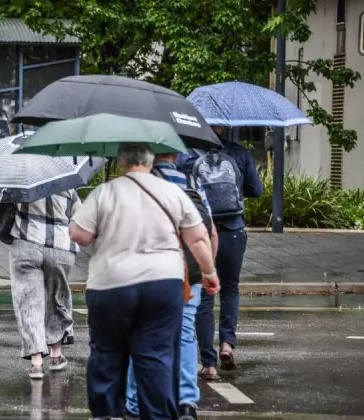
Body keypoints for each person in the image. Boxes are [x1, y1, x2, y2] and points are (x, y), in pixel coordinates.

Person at [70, 143, 220, 420]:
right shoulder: (174, 191)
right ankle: (157, 414)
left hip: (111, 284)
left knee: (107, 352)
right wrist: (209, 273)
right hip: (162, 284)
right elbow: (200, 237)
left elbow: (80, 234)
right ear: (150, 163)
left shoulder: (106, 191)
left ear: (121, 163)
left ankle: (107, 414)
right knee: (156, 356)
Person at [124, 152, 219, 420]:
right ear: (176, 155)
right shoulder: (192, 183)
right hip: (189, 275)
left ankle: (133, 403)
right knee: (185, 335)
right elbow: (209, 232)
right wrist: (209, 270)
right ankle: (187, 402)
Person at [180, 126, 263, 379]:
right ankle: (227, 344)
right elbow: (256, 191)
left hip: (203, 230)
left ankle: (208, 363)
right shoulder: (239, 153)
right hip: (234, 229)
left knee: (204, 294)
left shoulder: (188, 155)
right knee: (230, 289)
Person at [9, 189, 80, 380]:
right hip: (61, 248)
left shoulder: (18, 183)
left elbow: (3, 211)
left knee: (28, 301)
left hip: (26, 244)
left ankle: (37, 362)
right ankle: (56, 355)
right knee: (56, 297)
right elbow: (79, 217)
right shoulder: (68, 187)